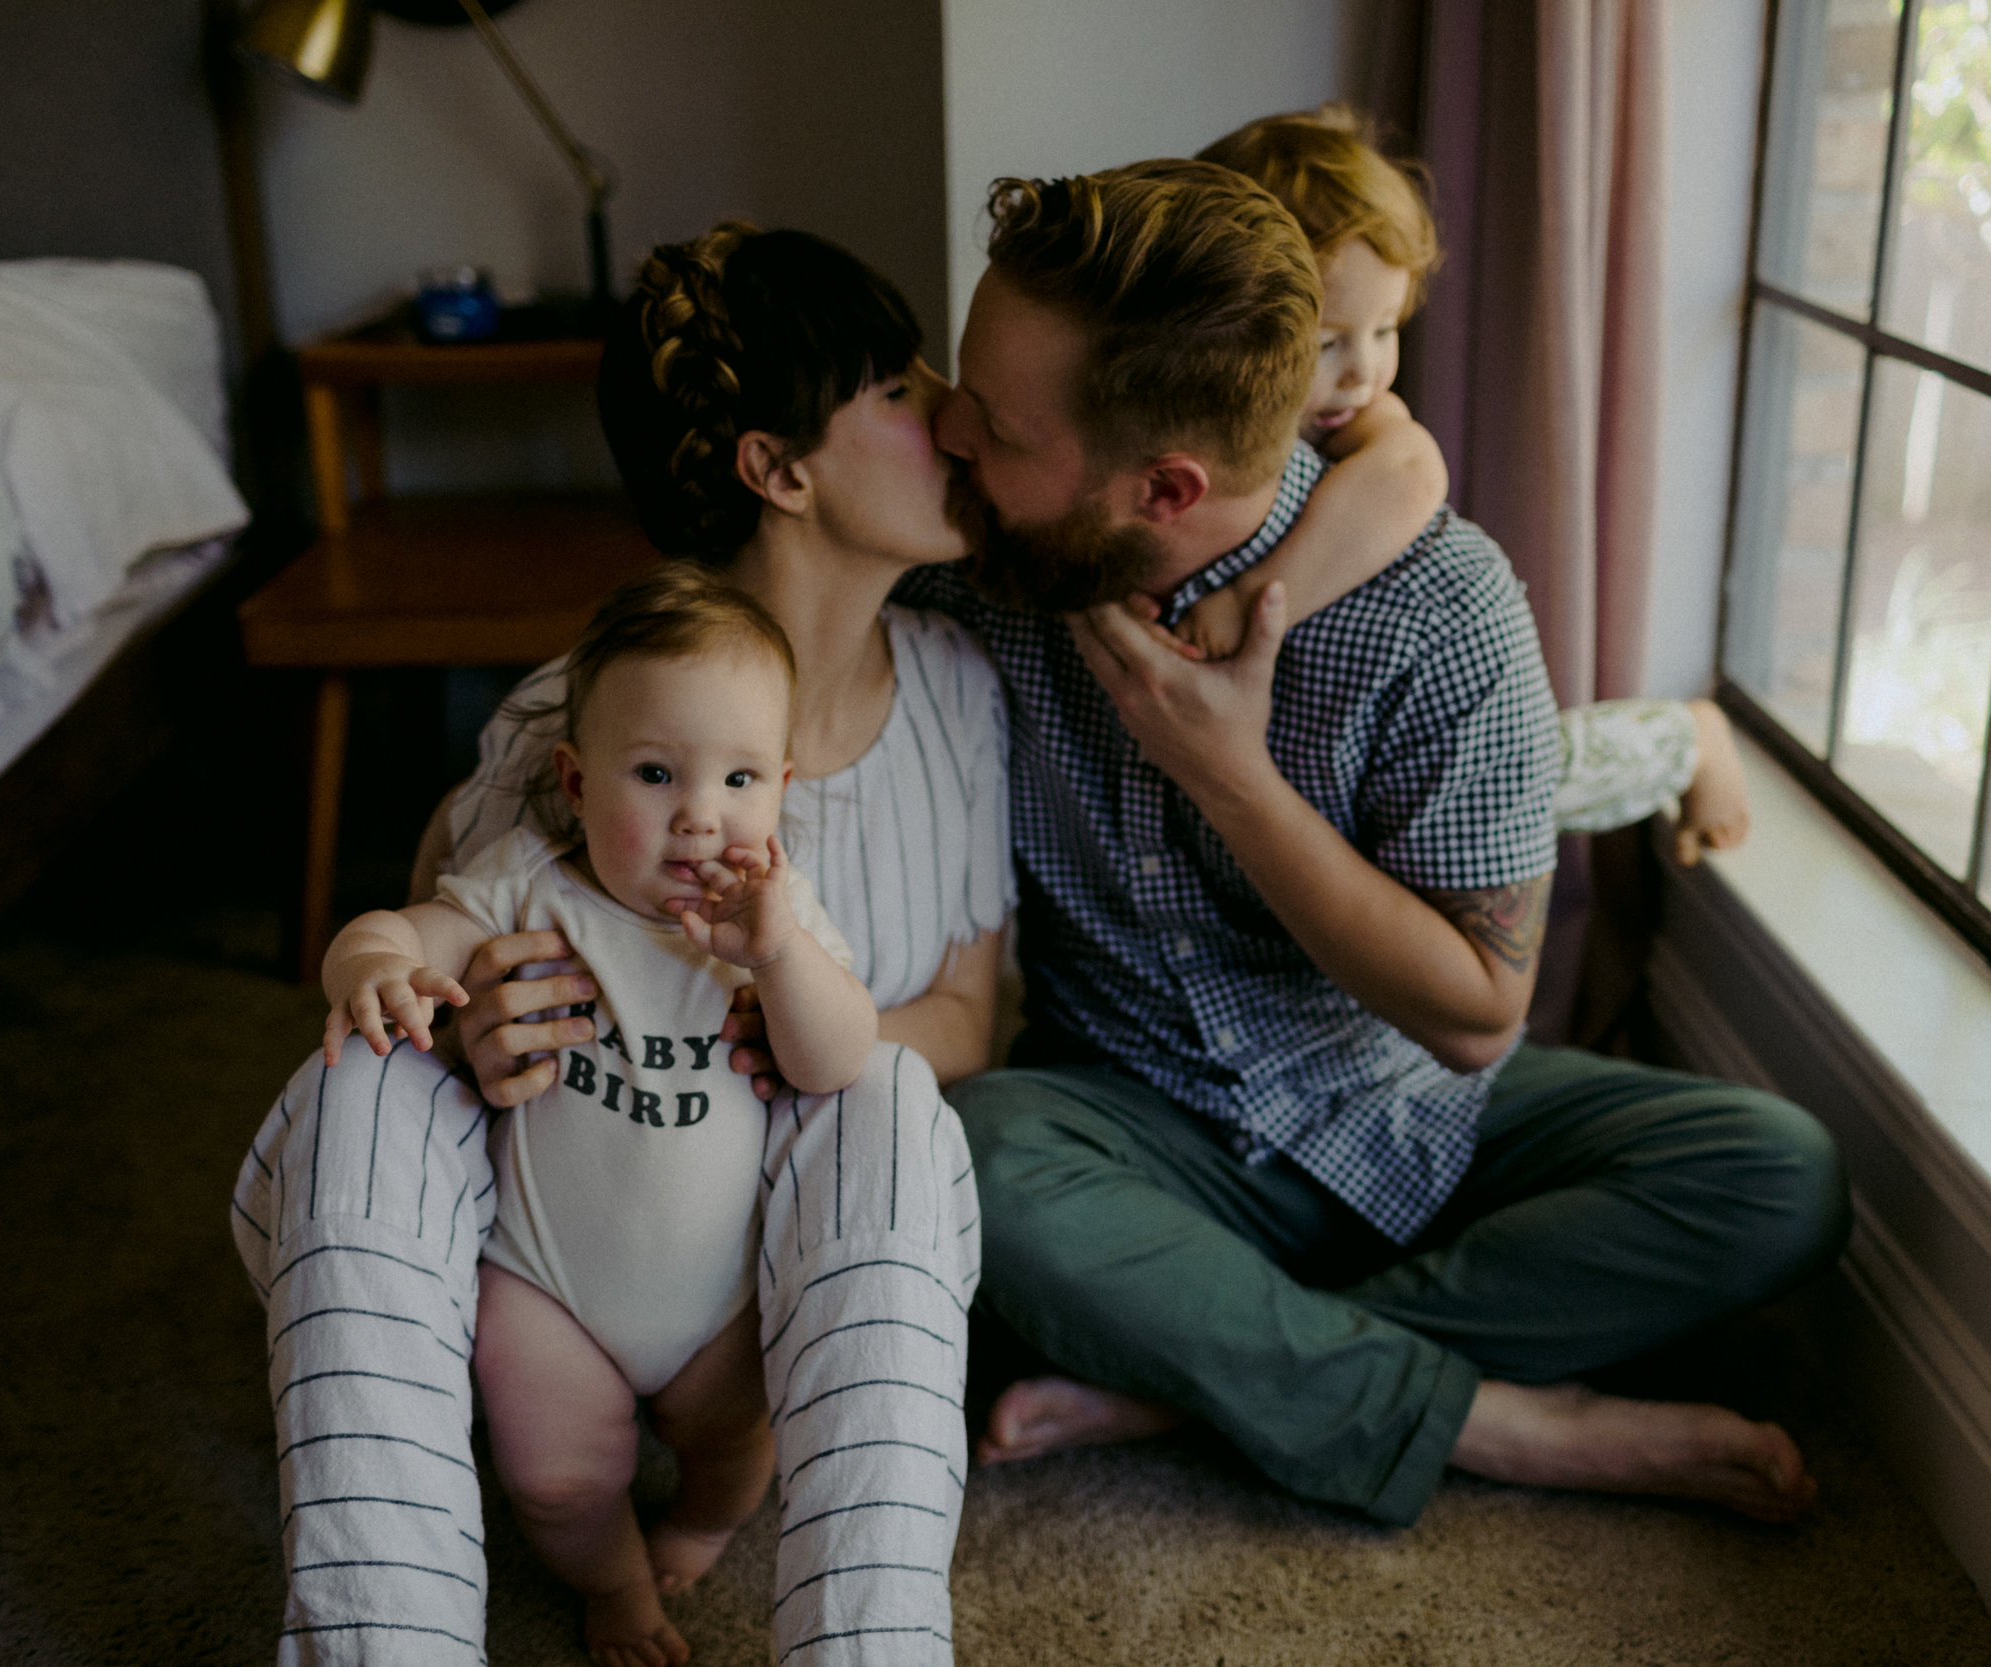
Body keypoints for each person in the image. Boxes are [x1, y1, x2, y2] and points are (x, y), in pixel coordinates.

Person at [910, 157, 1850, 1527]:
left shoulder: (1438, 613)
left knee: (1779, 1176)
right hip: (1130, 1129)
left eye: (992, 422)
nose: (948, 431)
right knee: (975, 1153)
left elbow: (1479, 1015)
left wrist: (1231, 775)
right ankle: (1495, 1417)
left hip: (1420, 1117)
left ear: (1164, 486)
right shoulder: (991, 560)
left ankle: (1201, 1367)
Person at [233, 225, 1002, 1667]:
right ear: (778, 467)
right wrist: (455, 1014)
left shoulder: (960, 690)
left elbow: (971, 1011)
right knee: (361, 1077)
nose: (952, 411)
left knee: (889, 1095)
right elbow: (444, 931)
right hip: (566, 1188)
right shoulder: (571, 715)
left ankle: (870, 1636)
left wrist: (800, 1003)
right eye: (902, 391)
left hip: (785, 1198)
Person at [317, 566, 882, 1667]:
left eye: (739, 777)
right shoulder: (525, 885)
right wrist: (374, 963)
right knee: (553, 1473)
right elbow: (399, 926)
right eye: (656, 772)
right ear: (575, 782)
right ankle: (614, 1581)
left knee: (735, 1446)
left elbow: (838, 1060)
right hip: (547, 1281)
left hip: (722, 1290)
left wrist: (779, 957)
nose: (700, 815)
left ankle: (703, 1520)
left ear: (781, 785)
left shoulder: (780, 919)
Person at [1180, 103, 1749, 868]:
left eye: (1385, 331)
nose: (1365, 367)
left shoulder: (1358, 418)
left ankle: (1685, 741)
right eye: (1327, 342)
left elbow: (1414, 478)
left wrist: (1260, 597)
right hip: (1305, 712)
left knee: (1531, 776)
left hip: (1411, 689)